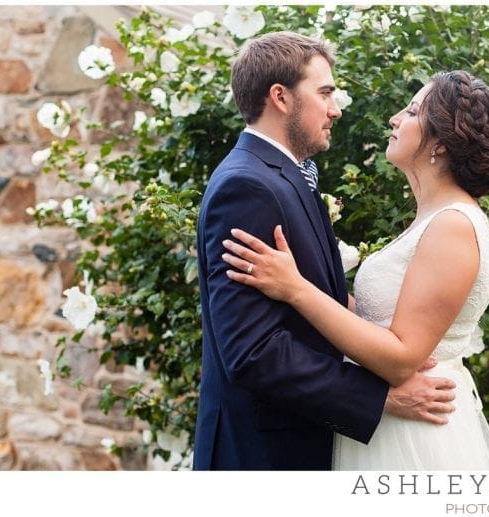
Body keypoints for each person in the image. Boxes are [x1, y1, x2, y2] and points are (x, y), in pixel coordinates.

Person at [220, 70, 489, 469]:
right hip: (384, 424)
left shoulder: (453, 225)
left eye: (412, 112)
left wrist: (296, 289)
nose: (395, 118)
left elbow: (401, 359)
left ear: (442, 143)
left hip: (415, 431)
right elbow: (381, 320)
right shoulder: (431, 218)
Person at [194, 31, 456, 470]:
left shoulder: (285, 174)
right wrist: (381, 397)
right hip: (263, 458)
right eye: (325, 93)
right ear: (280, 96)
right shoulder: (247, 187)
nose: (335, 109)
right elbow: (254, 352)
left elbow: (317, 302)